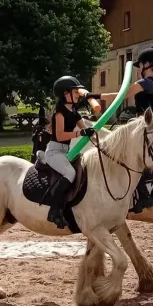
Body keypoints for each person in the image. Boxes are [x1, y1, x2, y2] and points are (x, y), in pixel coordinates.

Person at [98, 47, 153, 211]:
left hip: (144, 124)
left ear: (147, 64)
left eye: (141, 66)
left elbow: (121, 95)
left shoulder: (146, 83)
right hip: (151, 122)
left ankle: (141, 194)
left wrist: (93, 96)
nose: (139, 70)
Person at [41, 75, 96, 228]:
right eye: (75, 91)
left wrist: (100, 143)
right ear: (66, 93)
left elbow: (86, 130)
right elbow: (60, 135)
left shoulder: (74, 111)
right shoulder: (60, 112)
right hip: (54, 151)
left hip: (66, 151)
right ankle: (54, 210)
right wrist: (80, 134)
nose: (78, 94)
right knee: (70, 174)